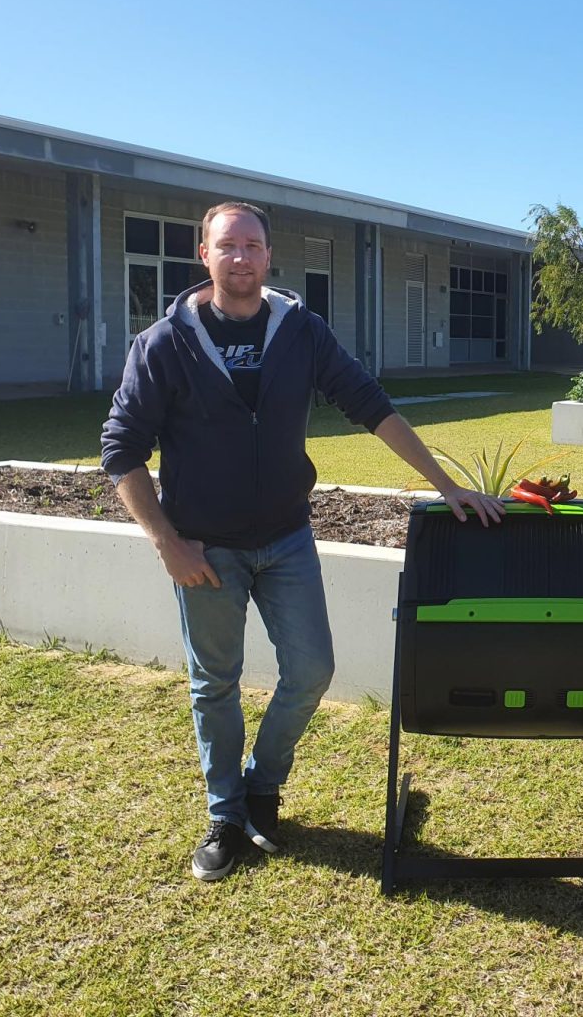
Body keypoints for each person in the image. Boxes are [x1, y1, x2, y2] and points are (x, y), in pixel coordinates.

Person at [101, 200, 504, 883]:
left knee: (313, 669)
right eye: (228, 246)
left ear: (268, 256)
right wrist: (167, 542)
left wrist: (446, 483)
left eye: (253, 246)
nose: (242, 258)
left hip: (286, 537)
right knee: (214, 685)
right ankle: (226, 816)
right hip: (205, 548)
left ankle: (263, 782)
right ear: (205, 255)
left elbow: (369, 405)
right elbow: (121, 450)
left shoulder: (300, 331)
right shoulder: (164, 344)